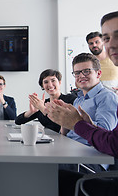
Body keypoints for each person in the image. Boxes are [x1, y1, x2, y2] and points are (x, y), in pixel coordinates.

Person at [46, 11, 118, 196]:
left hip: (89, 160)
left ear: (98, 74)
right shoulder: (78, 99)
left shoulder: (107, 97)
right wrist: (63, 122)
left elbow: (105, 138)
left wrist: (77, 123)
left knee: (43, 172)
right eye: (77, 73)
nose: (81, 76)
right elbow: (68, 133)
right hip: (71, 152)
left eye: (86, 71)